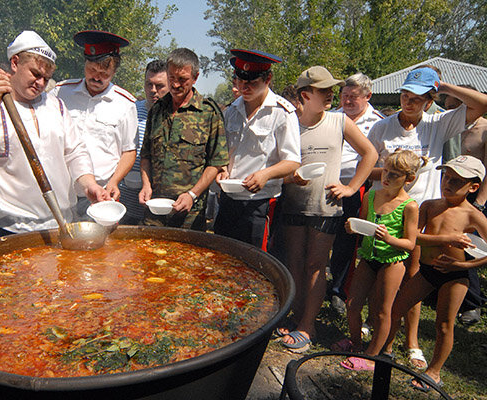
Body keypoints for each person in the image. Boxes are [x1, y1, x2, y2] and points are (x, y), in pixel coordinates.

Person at [366, 67, 487, 368]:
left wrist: (442, 84)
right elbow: (367, 168)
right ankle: (383, 336)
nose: (409, 102)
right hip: (389, 212)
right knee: (382, 273)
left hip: (423, 214)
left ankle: (412, 341)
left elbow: (482, 105)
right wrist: (398, 174)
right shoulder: (382, 127)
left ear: (430, 101)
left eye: (418, 98)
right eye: (405, 95)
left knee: (413, 277)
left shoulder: (438, 124)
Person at [0, 31, 106, 239]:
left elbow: (74, 151)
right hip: (8, 229)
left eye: (47, 78)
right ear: (15, 62)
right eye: (35, 74)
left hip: (60, 222)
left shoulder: (55, 105)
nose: (41, 84)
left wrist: (89, 185)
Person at [272, 66, 378, 351]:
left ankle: (308, 326)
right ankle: (294, 316)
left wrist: (352, 187)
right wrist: (288, 176)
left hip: (326, 206)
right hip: (293, 203)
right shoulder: (289, 124)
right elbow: (274, 167)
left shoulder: (339, 121)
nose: (332, 94)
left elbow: (370, 153)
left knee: (316, 265)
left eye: (332, 88)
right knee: (294, 262)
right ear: (305, 95)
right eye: (324, 90)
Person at [383, 155, 487, 392]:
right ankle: (385, 350)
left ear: (473, 187)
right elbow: (413, 236)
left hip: (455, 276)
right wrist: (446, 238)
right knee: (398, 308)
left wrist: (463, 267)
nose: (447, 184)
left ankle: (434, 372)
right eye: (446, 177)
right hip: (428, 269)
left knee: (444, 324)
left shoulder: (473, 216)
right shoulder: (430, 205)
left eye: (456, 181)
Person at [338, 150, 421, 370]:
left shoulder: (410, 206)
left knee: (383, 311)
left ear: (408, 179)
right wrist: (352, 227)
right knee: (352, 304)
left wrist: (389, 238)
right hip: (368, 257)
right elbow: (363, 224)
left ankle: (371, 356)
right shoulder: (371, 196)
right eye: (385, 171)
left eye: (394, 175)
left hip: (392, 261)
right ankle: (355, 344)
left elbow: (410, 243)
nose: (386, 177)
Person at [214, 49, 300, 248]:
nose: (245, 88)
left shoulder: (282, 113)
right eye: (240, 81)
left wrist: (266, 174)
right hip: (228, 199)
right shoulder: (232, 111)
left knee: (256, 263)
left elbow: (293, 161)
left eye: (252, 83)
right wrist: (222, 169)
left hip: (259, 202)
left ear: (267, 79)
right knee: (223, 257)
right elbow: (224, 153)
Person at [139, 48, 228, 230]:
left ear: (195, 78)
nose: (176, 85)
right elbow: (146, 155)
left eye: (182, 80)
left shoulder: (208, 113)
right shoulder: (157, 111)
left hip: (189, 214)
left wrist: (192, 195)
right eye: (172, 78)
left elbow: (216, 162)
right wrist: (146, 185)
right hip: (155, 209)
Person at [52, 30, 138, 219]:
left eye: (104, 74)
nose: (97, 78)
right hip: (59, 191)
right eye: (92, 70)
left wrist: (114, 182)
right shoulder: (60, 93)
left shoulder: (125, 104)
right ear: (85, 64)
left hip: (99, 194)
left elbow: (129, 151)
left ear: (114, 72)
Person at [329, 73, 385, 314]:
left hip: (358, 188)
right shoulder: (332, 116)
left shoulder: (379, 123)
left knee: (347, 240)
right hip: (328, 184)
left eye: (353, 97)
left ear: (368, 96)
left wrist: (356, 185)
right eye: (344, 96)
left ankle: (339, 290)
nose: (347, 102)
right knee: (323, 236)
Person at [443, 86, 487, 324]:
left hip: (474, 197)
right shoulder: (448, 126)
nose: (453, 112)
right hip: (448, 191)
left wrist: (479, 203)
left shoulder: (484, 130)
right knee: (447, 244)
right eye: (449, 107)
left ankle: (472, 303)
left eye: (458, 107)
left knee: (469, 249)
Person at [118, 60, 168, 225]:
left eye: (159, 86)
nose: (153, 91)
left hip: (160, 204)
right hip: (127, 199)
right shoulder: (130, 110)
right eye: (149, 84)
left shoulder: (174, 116)